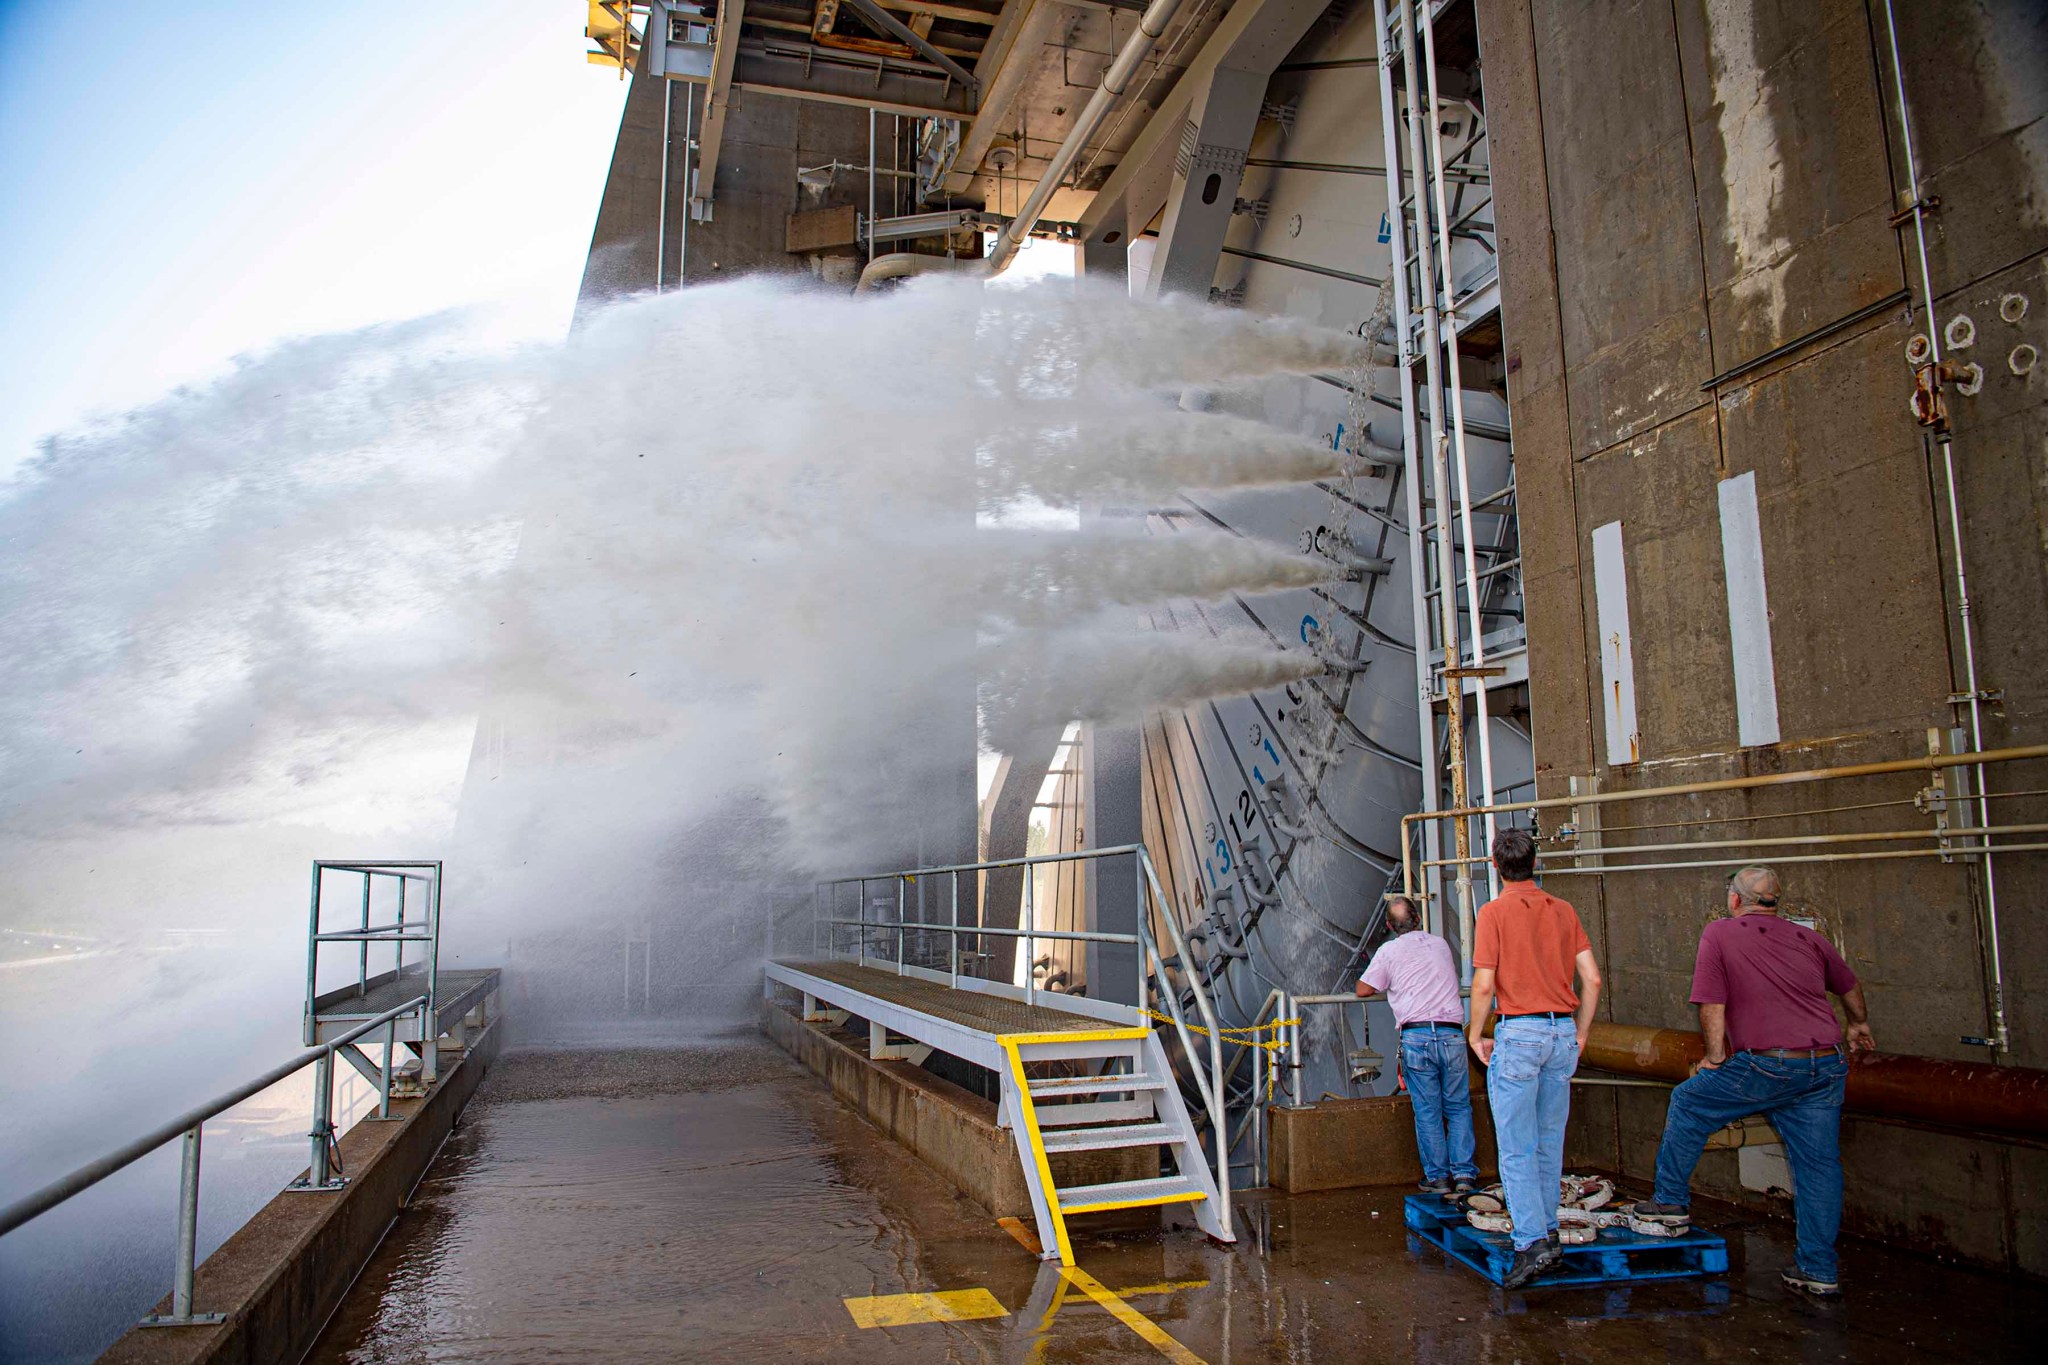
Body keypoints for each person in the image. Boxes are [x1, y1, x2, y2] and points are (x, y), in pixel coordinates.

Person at [1631, 866, 1874, 1297]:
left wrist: (1714, 1056)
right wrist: (1858, 1025)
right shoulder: (1807, 938)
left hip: (1768, 1063)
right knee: (1818, 1165)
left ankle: (1669, 1203)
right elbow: (1849, 985)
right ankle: (1817, 1269)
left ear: (1735, 900)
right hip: (1825, 1064)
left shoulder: (1720, 934)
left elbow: (1711, 1003)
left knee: (1689, 1102)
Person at [1466, 827, 1602, 1289]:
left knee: (1517, 1144)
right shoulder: (1564, 911)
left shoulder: (1494, 913)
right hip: (1562, 1031)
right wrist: (1579, 1034)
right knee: (1548, 1141)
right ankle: (1548, 1233)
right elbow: (1593, 980)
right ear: (1535, 862)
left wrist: (1475, 1034)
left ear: (1495, 864)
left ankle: (1531, 1243)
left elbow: (1484, 984)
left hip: (1519, 1032)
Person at [1357, 895, 1477, 1196]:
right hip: (1451, 1034)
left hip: (1417, 1037)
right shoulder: (1439, 945)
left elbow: (1363, 989)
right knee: (1459, 1106)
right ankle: (1464, 1175)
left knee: (1427, 1110)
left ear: (1388, 925)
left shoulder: (1388, 951)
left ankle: (1437, 1178)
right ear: (1419, 920)